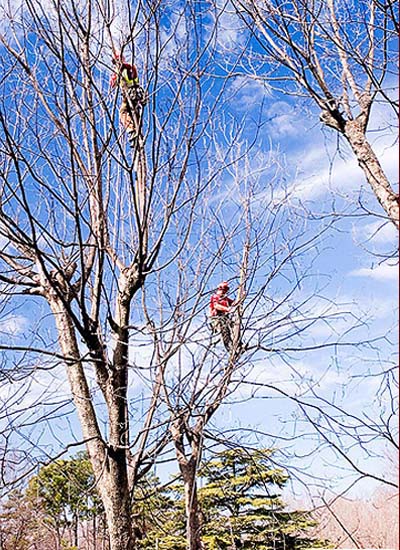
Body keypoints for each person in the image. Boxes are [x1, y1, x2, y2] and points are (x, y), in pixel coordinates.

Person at [110, 53, 147, 145]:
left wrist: (119, 70)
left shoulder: (127, 68)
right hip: (132, 94)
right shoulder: (121, 70)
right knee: (133, 114)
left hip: (131, 93)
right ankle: (136, 135)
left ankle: (132, 130)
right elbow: (112, 85)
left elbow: (133, 73)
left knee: (123, 112)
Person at [209, 281, 236, 351]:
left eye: (225, 291)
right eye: (223, 291)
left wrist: (242, 296)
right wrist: (227, 309)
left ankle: (238, 344)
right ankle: (229, 348)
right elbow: (216, 306)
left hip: (225, 317)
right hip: (217, 317)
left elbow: (234, 303)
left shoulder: (225, 299)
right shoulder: (215, 297)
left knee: (235, 326)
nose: (224, 293)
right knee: (225, 331)